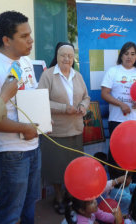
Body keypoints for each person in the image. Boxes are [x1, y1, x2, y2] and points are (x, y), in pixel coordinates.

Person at [0, 11, 40, 224]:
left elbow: (32, 98)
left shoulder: (25, 62)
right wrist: (24, 129)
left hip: (33, 146)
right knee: (10, 213)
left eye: (29, 34)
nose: (31, 40)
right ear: (6, 40)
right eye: (24, 36)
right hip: (10, 154)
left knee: (30, 204)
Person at [38, 42, 90, 214]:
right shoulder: (48, 75)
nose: (67, 59)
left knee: (73, 167)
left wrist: (83, 106)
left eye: (70, 55)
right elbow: (41, 100)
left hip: (76, 130)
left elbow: (86, 97)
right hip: (56, 132)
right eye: (63, 55)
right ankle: (59, 196)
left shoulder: (78, 76)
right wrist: (63, 108)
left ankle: (70, 195)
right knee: (56, 168)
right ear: (57, 56)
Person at [101, 41, 136, 179]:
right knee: (117, 151)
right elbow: (104, 94)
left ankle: (133, 181)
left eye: (133, 54)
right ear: (121, 55)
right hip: (117, 119)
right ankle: (115, 182)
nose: (129, 57)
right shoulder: (113, 71)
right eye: (126, 53)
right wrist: (121, 104)